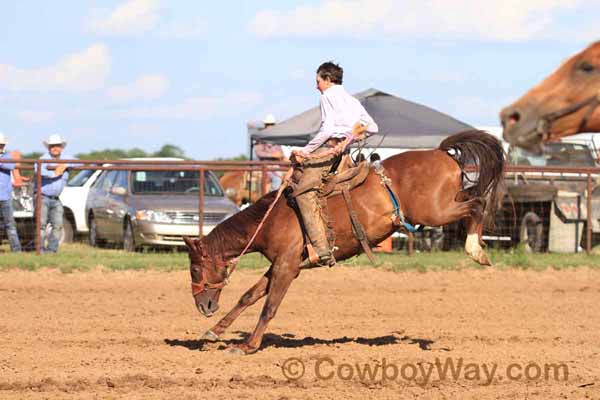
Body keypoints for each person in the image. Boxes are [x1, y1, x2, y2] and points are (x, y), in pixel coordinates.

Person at [290, 61, 378, 267]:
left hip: (330, 152)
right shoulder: (352, 101)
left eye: (318, 81)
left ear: (328, 80)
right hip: (345, 154)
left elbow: (327, 130)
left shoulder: (327, 96)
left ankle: (321, 250)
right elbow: (372, 127)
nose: (316, 86)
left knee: (303, 193)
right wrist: (351, 138)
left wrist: (305, 151)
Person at [36, 134, 74, 253]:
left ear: (61, 147)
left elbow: (79, 163)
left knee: (57, 225)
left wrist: (65, 165)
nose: (55, 148)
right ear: (49, 147)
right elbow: (38, 170)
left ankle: (52, 250)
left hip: (56, 198)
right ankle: (40, 250)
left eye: (57, 145)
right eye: (53, 146)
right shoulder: (42, 159)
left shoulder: (66, 158)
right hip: (43, 196)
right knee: (41, 225)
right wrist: (56, 173)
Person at [0, 133, 22, 252]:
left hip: (5, 196)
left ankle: (16, 250)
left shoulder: (8, 155)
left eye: (1, 145)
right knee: (10, 225)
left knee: (10, 225)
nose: (0, 147)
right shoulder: (7, 156)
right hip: (5, 195)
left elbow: (12, 165)